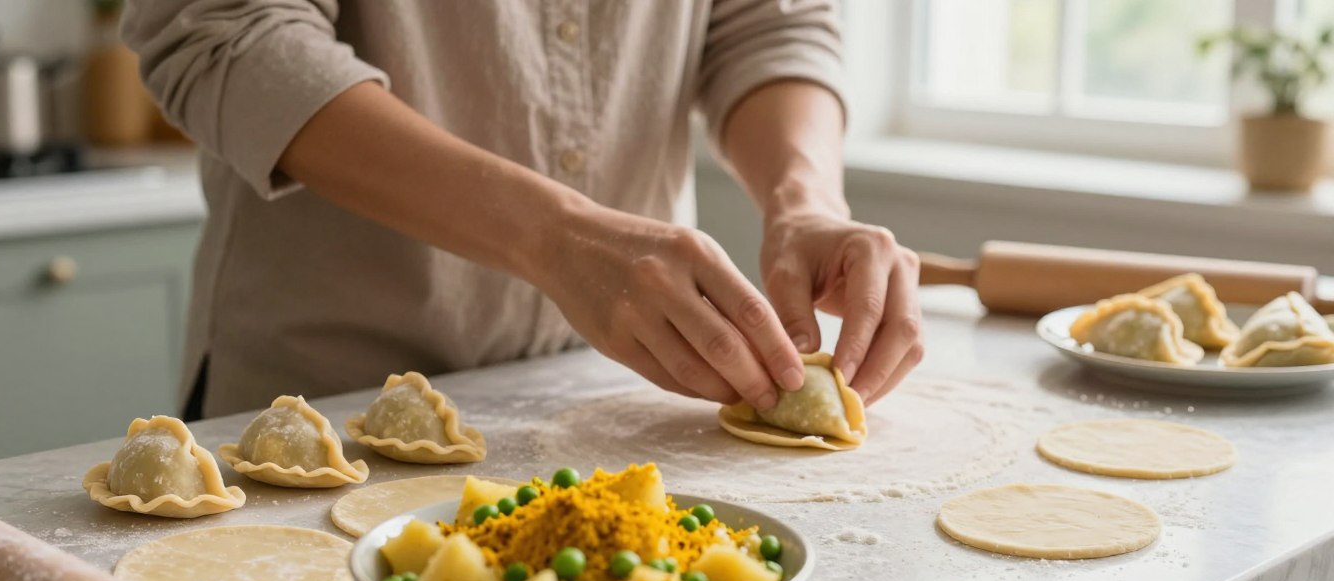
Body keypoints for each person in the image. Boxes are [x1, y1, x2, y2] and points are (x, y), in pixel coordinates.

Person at [122, 1, 923, 419]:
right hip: (332, 403)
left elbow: (765, 24)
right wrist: (555, 236)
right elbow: (225, 31)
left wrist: (803, 201)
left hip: (617, 404)